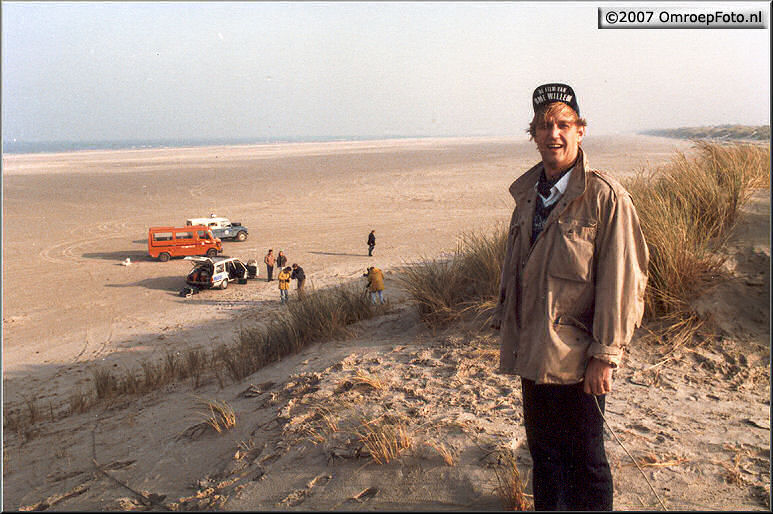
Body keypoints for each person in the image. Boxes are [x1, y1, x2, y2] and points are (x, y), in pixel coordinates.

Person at [491, 83, 649, 511]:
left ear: (581, 131)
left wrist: (605, 354)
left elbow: (624, 281)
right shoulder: (526, 198)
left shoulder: (604, 198)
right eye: (545, 125)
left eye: (564, 124)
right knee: (544, 459)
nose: (553, 134)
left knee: (586, 462)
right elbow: (517, 278)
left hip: (580, 361)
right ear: (533, 134)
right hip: (533, 354)